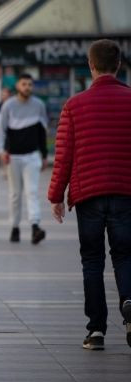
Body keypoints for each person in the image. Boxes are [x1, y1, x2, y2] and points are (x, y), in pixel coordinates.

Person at [48, 39, 131, 351]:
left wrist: (56, 195)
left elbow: (64, 155)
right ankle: (129, 302)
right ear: (119, 65)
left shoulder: (74, 105)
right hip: (126, 192)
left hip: (89, 195)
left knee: (92, 260)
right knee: (125, 254)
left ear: (91, 66)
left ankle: (96, 330)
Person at [0, 74, 48, 244]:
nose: (27, 87)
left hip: (32, 155)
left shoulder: (39, 105)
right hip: (13, 157)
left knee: (32, 192)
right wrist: (1, 151)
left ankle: (35, 226)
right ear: (18, 86)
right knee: (15, 194)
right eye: (24, 84)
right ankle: (15, 227)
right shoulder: (8, 105)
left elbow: (42, 131)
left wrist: (45, 155)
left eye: (30, 84)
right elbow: (1, 130)